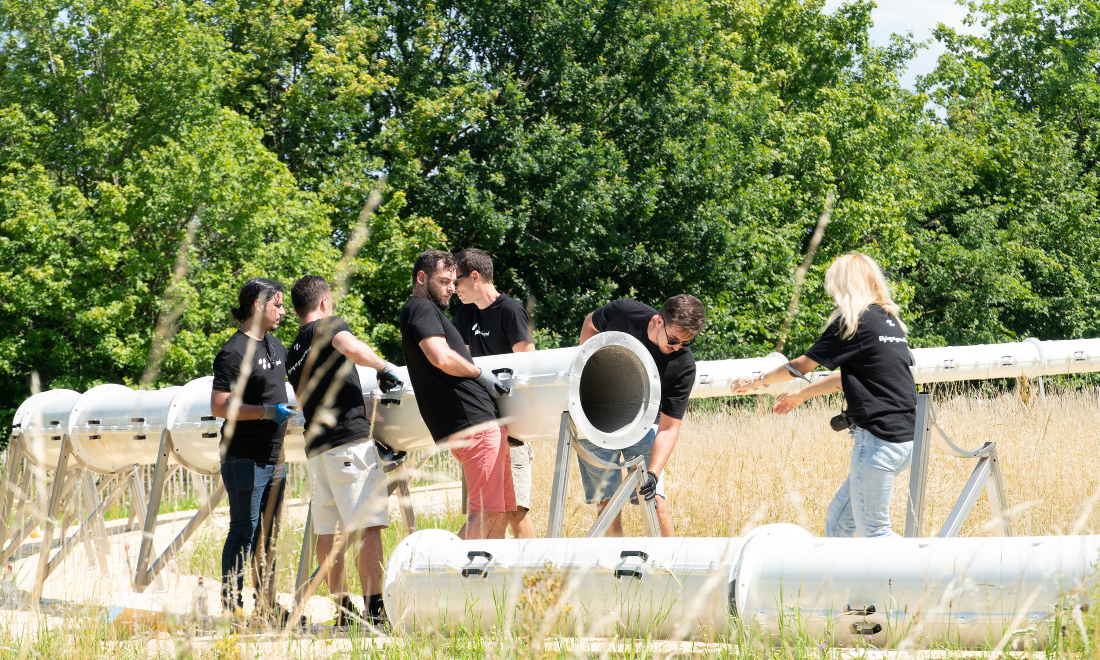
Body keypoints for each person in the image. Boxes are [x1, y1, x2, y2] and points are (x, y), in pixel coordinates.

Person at [730, 253, 917, 538]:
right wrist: (802, 394)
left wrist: (757, 381)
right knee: (839, 522)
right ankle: (843, 584)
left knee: (877, 533)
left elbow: (801, 365)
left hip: (878, 440)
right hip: (905, 440)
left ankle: (927, 577)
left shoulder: (852, 322)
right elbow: (852, 376)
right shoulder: (889, 321)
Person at [286, 275, 402, 628]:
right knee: (368, 526)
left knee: (328, 533)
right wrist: (385, 368)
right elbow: (349, 345)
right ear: (323, 303)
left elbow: (304, 403)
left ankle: (343, 611)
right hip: (348, 443)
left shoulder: (292, 352)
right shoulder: (328, 326)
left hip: (317, 449)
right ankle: (376, 610)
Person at [399, 249, 514, 540]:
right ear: (421, 278)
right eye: (443, 281)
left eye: (453, 281)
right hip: (474, 425)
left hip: (475, 425)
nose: (451, 287)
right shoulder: (421, 308)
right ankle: (443, 578)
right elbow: (439, 356)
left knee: (499, 511)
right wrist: (480, 375)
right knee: (486, 513)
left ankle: (487, 585)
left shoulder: (429, 312)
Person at [576, 294, 706, 537]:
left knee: (655, 502)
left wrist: (654, 473)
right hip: (596, 415)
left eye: (686, 343)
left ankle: (669, 569)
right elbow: (589, 323)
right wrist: (588, 372)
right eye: (674, 339)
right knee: (607, 504)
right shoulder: (624, 312)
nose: (677, 347)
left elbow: (669, 428)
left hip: (644, 424)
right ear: (658, 321)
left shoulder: (683, 366)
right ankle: (614, 569)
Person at [210, 278, 292, 621]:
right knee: (243, 532)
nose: (283, 312)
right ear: (258, 306)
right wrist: (265, 412)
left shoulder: (276, 345)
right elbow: (219, 405)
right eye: (277, 304)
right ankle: (232, 609)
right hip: (245, 457)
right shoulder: (232, 352)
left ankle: (267, 607)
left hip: (276, 457)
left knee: (269, 534)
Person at [454, 248, 536, 539]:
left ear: (474, 276)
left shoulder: (511, 310)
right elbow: (463, 366)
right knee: (492, 509)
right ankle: (493, 579)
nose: (453, 288)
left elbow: (528, 367)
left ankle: (539, 578)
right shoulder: (465, 314)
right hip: (483, 427)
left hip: (511, 430)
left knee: (515, 509)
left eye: (457, 280)